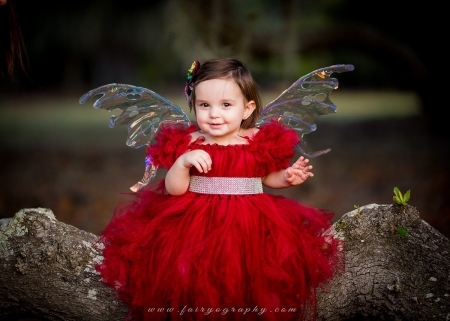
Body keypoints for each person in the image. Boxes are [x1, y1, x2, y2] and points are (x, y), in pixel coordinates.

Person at [96, 58, 342, 321]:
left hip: (250, 222)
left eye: (226, 105)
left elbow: (267, 177)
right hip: (195, 223)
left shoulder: (259, 139)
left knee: (251, 275)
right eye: (204, 105)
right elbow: (175, 190)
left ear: (247, 109)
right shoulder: (189, 141)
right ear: (194, 105)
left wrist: (287, 176)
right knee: (194, 276)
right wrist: (182, 163)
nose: (214, 113)